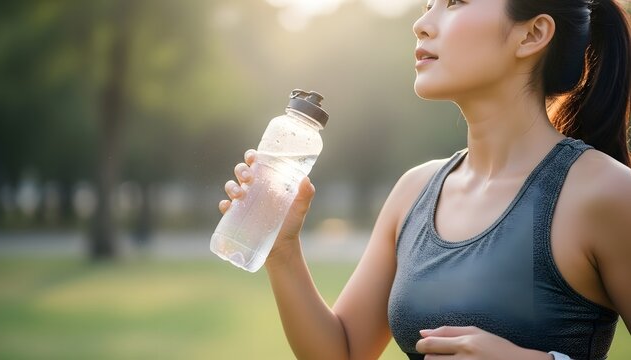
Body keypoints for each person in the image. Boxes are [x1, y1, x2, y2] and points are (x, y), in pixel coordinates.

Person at [219, 0, 631, 358]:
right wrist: (283, 250)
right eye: (426, 6)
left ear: (532, 34)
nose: (422, 23)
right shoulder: (414, 191)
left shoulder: (604, 193)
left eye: (454, 2)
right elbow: (341, 352)